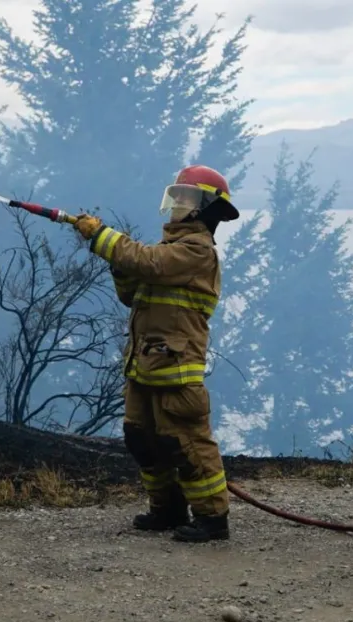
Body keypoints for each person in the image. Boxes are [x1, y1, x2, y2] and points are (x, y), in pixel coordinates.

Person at [66, 165, 240, 543]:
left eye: (186, 197)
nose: (177, 202)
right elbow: (132, 290)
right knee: (141, 436)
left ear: (205, 207)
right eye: (175, 195)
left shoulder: (197, 251)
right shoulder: (169, 250)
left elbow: (147, 263)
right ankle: (167, 509)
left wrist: (103, 237)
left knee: (185, 441)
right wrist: (118, 260)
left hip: (176, 369)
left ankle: (212, 518)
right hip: (146, 365)